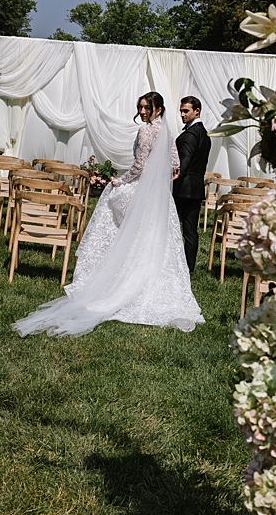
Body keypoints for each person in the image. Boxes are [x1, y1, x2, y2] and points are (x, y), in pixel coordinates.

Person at [12, 91, 203, 339]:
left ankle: (111, 274)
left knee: (116, 215)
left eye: (147, 108)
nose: (143, 112)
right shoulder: (165, 131)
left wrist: (120, 181)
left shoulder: (146, 131)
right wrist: (169, 173)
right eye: (141, 107)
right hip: (159, 195)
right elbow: (175, 161)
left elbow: (140, 166)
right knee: (154, 237)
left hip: (142, 189)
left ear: (158, 109)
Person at [172, 96, 211, 270]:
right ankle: (189, 267)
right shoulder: (204, 133)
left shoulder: (189, 135)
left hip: (182, 189)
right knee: (190, 231)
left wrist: (172, 175)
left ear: (197, 111)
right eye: (181, 111)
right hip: (196, 189)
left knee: (171, 227)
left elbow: (183, 163)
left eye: (186, 111)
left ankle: (173, 264)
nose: (182, 114)